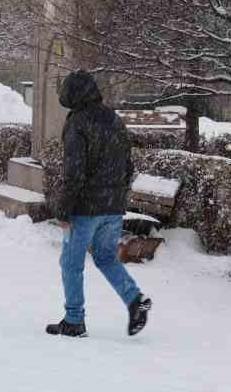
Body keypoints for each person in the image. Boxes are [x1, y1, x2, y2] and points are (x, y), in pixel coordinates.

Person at [45, 70, 153, 338]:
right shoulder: (113, 119)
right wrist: (117, 197)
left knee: (71, 263)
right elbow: (127, 165)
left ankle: (74, 320)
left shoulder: (78, 123)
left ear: (73, 94)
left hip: (86, 209)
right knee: (105, 257)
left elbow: (74, 172)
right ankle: (135, 300)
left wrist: (64, 209)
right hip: (113, 207)